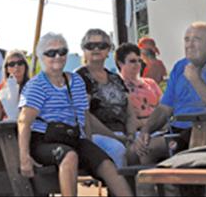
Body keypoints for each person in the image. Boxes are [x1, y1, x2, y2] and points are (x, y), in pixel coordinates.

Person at [18, 33, 133, 197]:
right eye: (51, 53)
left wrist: (90, 144)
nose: (58, 56)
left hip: (72, 136)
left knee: (107, 164)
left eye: (62, 51)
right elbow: (24, 121)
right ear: (41, 56)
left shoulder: (76, 81)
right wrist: (24, 157)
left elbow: (84, 116)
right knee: (69, 156)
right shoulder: (36, 85)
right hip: (44, 139)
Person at [128, 22, 206, 165]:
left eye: (196, 40)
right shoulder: (180, 66)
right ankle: (147, 186)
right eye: (187, 39)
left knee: (148, 150)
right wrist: (146, 131)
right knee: (133, 151)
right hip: (177, 130)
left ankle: (157, 186)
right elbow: (164, 108)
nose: (189, 45)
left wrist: (195, 78)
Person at [75, 29, 138, 168]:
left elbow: (130, 113)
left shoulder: (115, 78)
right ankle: (120, 188)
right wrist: (115, 137)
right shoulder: (80, 77)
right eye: (90, 46)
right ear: (84, 50)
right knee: (117, 149)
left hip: (123, 133)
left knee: (148, 144)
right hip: (96, 135)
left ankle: (145, 187)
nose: (96, 49)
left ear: (109, 49)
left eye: (101, 45)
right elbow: (85, 116)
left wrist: (132, 135)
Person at [115, 43, 162, 129]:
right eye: (132, 61)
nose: (137, 64)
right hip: (134, 132)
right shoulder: (117, 86)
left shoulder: (151, 83)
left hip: (158, 128)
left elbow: (164, 109)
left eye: (139, 61)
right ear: (120, 63)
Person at [0, 50, 30, 120]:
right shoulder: (2, 88)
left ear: (25, 66)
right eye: (12, 64)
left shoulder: (33, 86)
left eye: (20, 63)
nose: (16, 66)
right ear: (7, 69)